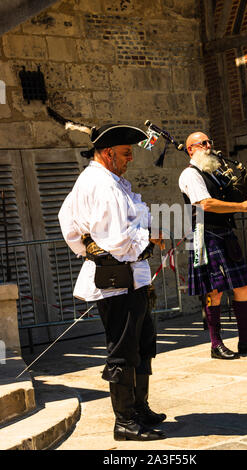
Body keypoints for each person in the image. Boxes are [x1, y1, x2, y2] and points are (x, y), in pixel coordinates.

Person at [58, 123, 166, 441]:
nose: (130, 158)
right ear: (107, 153)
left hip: (133, 276)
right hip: (117, 279)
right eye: (126, 153)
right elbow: (117, 239)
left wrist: (90, 245)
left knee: (143, 344)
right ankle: (125, 422)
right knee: (122, 350)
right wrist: (148, 238)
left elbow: (69, 219)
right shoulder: (99, 183)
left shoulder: (112, 180)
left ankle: (139, 408)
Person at [179, 131, 247, 360]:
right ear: (191, 149)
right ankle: (216, 343)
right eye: (203, 143)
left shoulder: (215, 173)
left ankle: (245, 339)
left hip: (224, 233)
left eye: (210, 141)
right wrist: (241, 207)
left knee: (242, 286)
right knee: (214, 290)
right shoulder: (190, 175)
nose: (209, 146)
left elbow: (232, 197)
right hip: (203, 234)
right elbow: (206, 204)